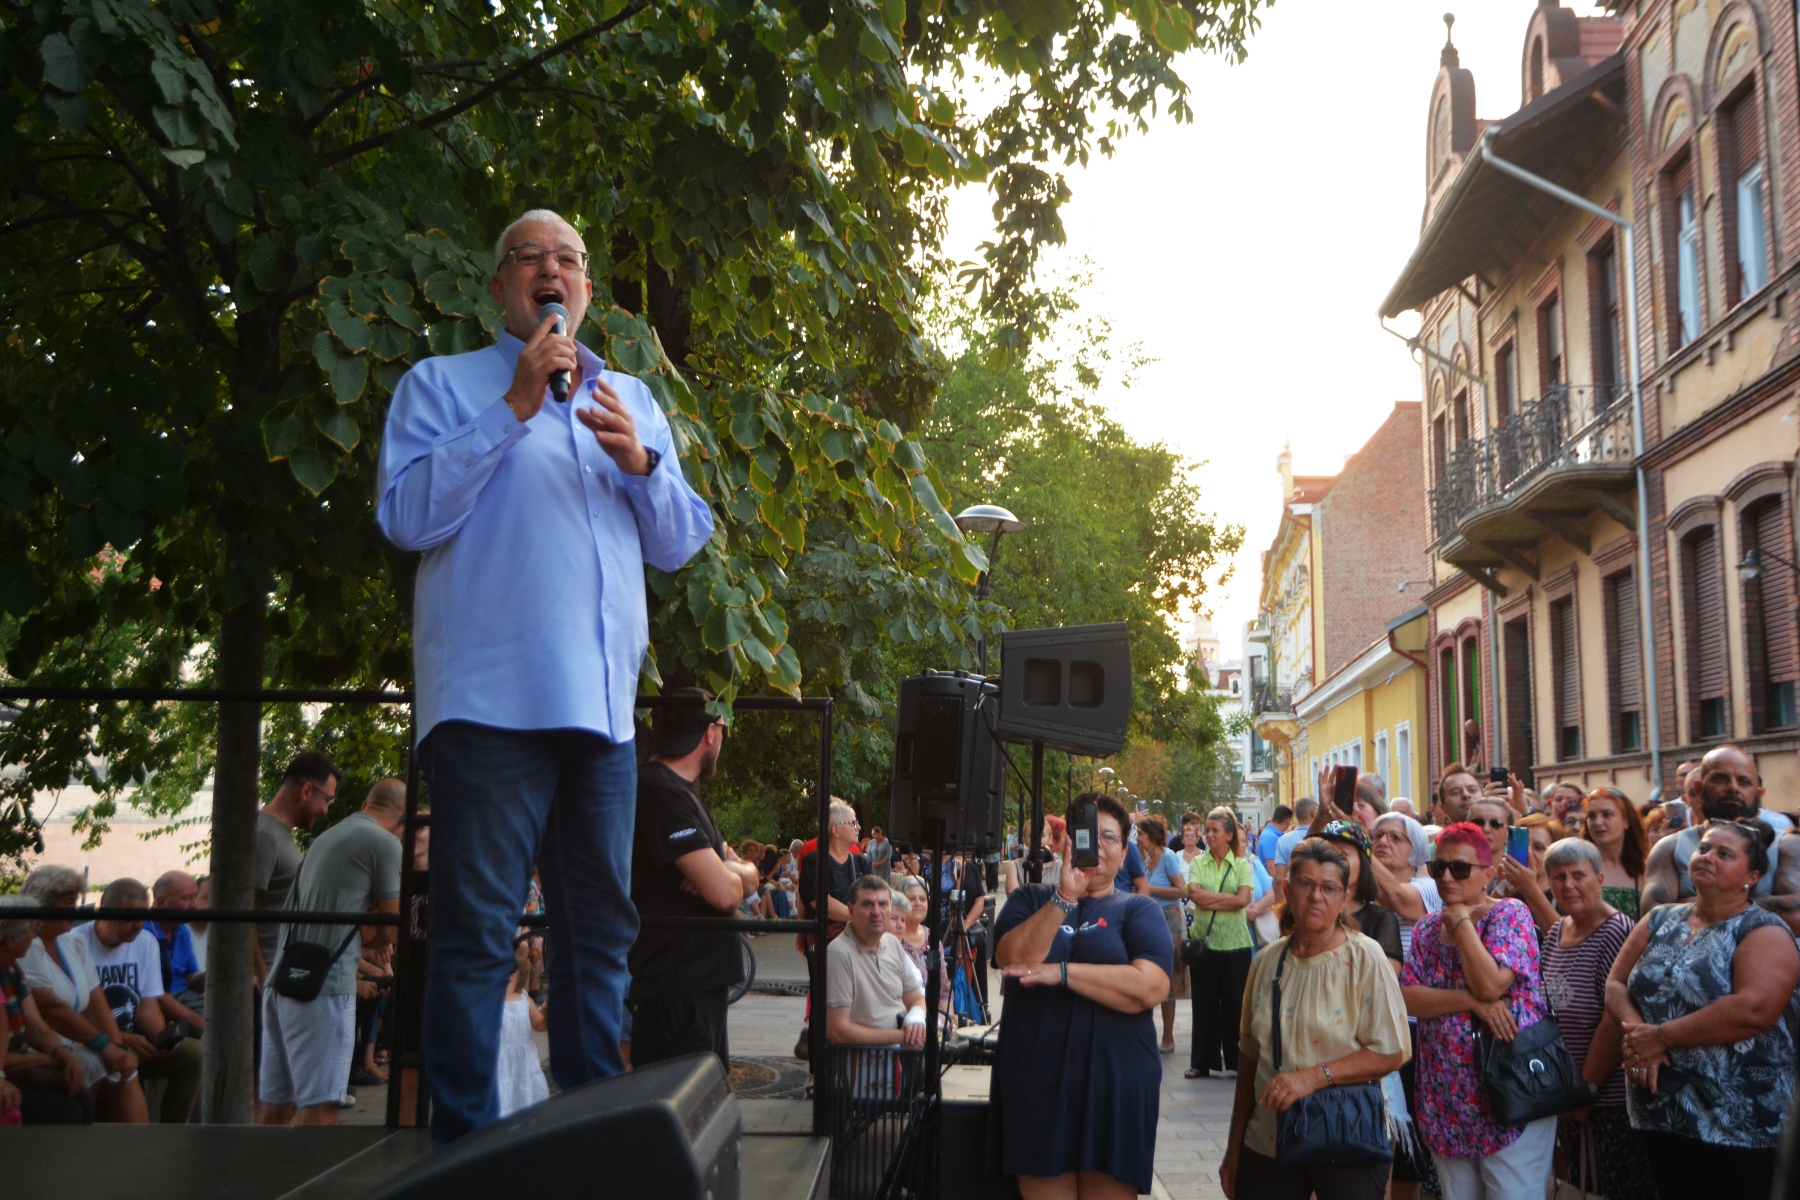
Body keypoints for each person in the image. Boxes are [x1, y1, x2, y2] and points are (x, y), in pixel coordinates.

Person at [377, 209, 714, 1143]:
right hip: (490, 709)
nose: (552, 269)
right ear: (500, 287)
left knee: (602, 932)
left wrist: (643, 465)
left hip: (603, 714)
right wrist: (512, 411)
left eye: (569, 258)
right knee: (480, 937)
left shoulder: (632, 397)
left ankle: (594, 1138)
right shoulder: (441, 387)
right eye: (532, 257)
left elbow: (683, 542)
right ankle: (467, 1154)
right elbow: (407, 519)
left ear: (589, 290)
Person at [989, 793, 1171, 1198]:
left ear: (1125, 853)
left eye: (1110, 838)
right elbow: (1013, 957)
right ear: (1067, 843)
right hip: (1038, 1084)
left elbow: (1150, 987)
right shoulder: (1030, 899)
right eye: (1090, 836)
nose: (1099, 847)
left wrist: (1062, 973)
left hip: (1115, 1087)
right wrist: (1064, 898)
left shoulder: (1138, 910)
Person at [1605, 819, 1800, 1195]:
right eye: (1704, 848)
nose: (1707, 857)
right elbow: (1615, 985)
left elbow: (1753, 1010)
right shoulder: (1660, 918)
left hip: (1738, 1121)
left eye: (1724, 854)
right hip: (1661, 1111)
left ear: (1752, 876)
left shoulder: (1762, 929)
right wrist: (1639, 1043)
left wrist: (1660, 1038)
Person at [1218, 839, 1411, 1200]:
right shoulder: (1266, 961)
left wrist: (1311, 1078)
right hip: (1268, 1139)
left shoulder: (1365, 957)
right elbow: (1249, 1059)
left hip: (1344, 1133)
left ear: (1343, 897)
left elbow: (1391, 1052)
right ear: (1288, 891)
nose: (1316, 897)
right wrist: (1234, 1148)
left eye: (1329, 888)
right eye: (1306, 885)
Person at [1400, 822, 1555, 1199]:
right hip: (1446, 1100)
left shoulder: (1509, 914)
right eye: (1439, 868)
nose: (1448, 876)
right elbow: (1406, 997)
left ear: (1489, 874)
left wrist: (1463, 922)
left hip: (1510, 1094)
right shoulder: (1425, 929)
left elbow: (1490, 984)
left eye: (1461, 868)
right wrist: (1469, 1002)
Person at [258, 778, 404, 1127]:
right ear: (405, 816)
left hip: (283, 981)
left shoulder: (330, 836)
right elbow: (389, 930)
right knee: (320, 1109)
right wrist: (376, 924)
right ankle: (303, 1183)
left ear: (367, 804)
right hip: (323, 990)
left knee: (276, 1107)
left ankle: (257, 1180)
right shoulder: (383, 843)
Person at [627, 692, 758, 1073]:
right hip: (675, 987)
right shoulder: (660, 792)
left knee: (704, 1108)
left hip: (696, 984)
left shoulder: (679, 793)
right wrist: (726, 873)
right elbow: (726, 894)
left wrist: (725, 869)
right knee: (682, 1114)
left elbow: (746, 876)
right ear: (710, 734)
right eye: (722, 728)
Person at [1536, 838, 1653, 1200]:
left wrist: (1586, 1090)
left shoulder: (1617, 931)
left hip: (1608, 1097)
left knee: (1614, 1188)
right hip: (1570, 1095)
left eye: (1578, 875)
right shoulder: (1556, 932)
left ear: (1601, 879)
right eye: (1558, 877)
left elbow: (1613, 1017)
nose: (1568, 885)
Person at [19, 865, 150, 1121]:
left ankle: (137, 1152)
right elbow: (50, 1009)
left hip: (80, 1041)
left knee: (124, 1069)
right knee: (97, 1064)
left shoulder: (73, 943)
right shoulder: (28, 946)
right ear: (42, 905)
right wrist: (103, 1046)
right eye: (69, 902)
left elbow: (96, 1002)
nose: (76, 910)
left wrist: (118, 1047)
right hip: (41, 1046)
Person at [78, 878, 204, 1123]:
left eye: (142, 917)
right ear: (104, 913)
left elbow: (147, 1004)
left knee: (194, 1054)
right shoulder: (78, 942)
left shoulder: (145, 942)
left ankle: (173, 1131)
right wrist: (124, 1040)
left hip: (134, 1032)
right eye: (129, 917)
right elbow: (76, 1013)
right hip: (93, 1038)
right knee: (127, 1056)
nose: (138, 925)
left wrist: (160, 1038)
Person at [1643, 745, 1800, 936]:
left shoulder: (1786, 846)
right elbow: (1653, 920)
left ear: (1757, 794)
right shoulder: (1669, 848)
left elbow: (1796, 917)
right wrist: (1761, 901)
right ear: (1699, 790)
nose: (1733, 787)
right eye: (1720, 779)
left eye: (1744, 782)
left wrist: (1693, 902)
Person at [0, 895, 94, 1124]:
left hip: (15, 1064)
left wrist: (63, 1053)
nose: (36, 935)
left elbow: (35, 1025)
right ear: (12, 938)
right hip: (6, 1070)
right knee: (63, 1111)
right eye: (34, 928)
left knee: (84, 1096)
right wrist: (43, 1060)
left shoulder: (10, 968)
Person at [255, 753, 341, 997]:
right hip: (265, 981)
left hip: (278, 973)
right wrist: (262, 974)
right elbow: (242, 912)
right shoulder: (266, 836)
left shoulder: (278, 834)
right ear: (306, 790)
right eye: (327, 800)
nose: (325, 810)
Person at [793, 799, 871, 1058]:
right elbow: (819, 902)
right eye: (853, 823)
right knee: (824, 1004)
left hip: (857, 944)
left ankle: (850, 1066)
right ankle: (818, 1071)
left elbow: (877, 898)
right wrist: (861, 916)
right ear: (835, 829)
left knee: (856, 1003)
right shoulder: (815, 860)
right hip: (826, 944)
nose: (859, 827)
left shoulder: (861, 862)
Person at [1185, 806, 1254, 1080]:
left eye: (1215, 831)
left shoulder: (1241, 865)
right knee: (1204, 1003)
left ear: (1228, 835)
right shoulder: (1198, 863)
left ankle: (1237, 1061)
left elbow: (1243, 900)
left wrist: (1210, 897)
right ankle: (1202, 1061)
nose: (1208, 835)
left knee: (1236, 1004)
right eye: (1208, 830)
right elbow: (1195, 896)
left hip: (1236, 943)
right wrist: (1225, 899)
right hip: (1205, 941)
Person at [824, 877, 926, 1047]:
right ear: (851, 910)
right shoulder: (839, 953)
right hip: (863, 1064)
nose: (877, 912)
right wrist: (902, 1037)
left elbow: (917, 999)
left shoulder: (892, 943)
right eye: (867, 904)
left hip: (901, 1056)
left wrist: (916, 1017)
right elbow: (838, 1031)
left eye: (883, 904)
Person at [1307, 822, 1401, 969]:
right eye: (1326, 854)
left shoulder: (1382, 920)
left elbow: (1384, 982)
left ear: (1363, 862)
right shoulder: (1307, 912)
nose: (1332, 863)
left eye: (1342, 854)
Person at [1138, 815, 1188, 1054]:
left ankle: (1168, 1036)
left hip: (1170, 920)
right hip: (1151, 919)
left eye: (1141, 834)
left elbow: (1181, 890)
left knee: (1169, 976)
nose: (1138, 838)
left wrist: (1151, 889)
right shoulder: (1147, 858)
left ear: (1153, 835)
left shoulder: (1168, 857)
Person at [1368, 812, 1440, 960]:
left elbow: (1396, 897)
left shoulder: (1429, 886)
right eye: (1378, 836)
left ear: (1416, 853)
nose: (1383, 842)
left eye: (1395, 837)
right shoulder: (1361, 892)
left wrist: (1358, 844)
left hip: (1410, 981)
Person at [496, 942, 549, 1118]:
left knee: (524, 1098)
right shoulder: (489, 1002)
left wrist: (549, 1015)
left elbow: (539, 1023)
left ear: (511, 975)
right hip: (499, 1062)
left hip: (523, 1063)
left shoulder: (524, 1000)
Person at [1580, 787, 1648, 921]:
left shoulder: (1645, 868)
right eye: (1592, 816)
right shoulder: (1580, 866)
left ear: (1626, 821)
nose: (1598, 822)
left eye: (1607, 814)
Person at [894, 876, 953, 1027]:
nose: (918, 903)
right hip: (906, 1020)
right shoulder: (892, 939)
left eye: (923, 899)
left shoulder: (931, 938)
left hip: (935, 1018)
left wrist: (948, 1020)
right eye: (911, 898)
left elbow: (944, 987)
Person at [149, 871, 205, 1014]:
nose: (194, 905)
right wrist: (202, 1024)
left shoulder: (181, 930)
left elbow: (193, 977)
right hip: (160, 1003)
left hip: (185, 997)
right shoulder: (141, 933)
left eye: (195, 896)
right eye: (186, 899)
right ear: (161, 902)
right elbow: (152, 996)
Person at [1498, 813, 1563, 932]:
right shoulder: (1505, 887)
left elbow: (1564, 938)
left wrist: (1530, 889)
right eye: (1522, 845)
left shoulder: (1563, 893)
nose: (1529, 853)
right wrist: (1499, 892)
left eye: (1538, 847)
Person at [1270, 797, 1319, 898]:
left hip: (1294, 896)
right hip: (1318, 895)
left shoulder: (1283, 840)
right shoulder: (1323, 837)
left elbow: (1279, 879)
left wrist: (1280, 907)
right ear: (1313, 813)